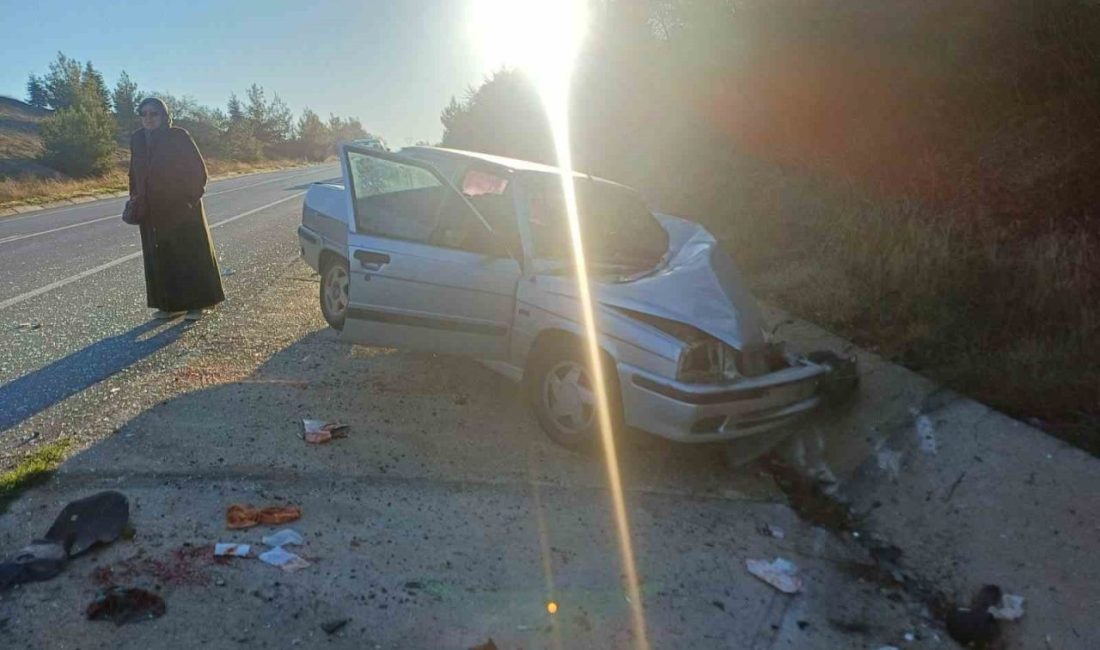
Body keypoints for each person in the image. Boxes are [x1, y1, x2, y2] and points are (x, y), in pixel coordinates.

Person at [128, 97, 224, 321]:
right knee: (160, 257)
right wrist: (135, 197)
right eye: (144, 114)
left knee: (189, 254)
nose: (149, 118)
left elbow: (197, 170)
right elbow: (134, 171)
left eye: (154, 114)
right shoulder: (138, 139)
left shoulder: (178, 136)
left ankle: (197, 304)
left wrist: (190, 199)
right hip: (151, 208)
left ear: (164, 115)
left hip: (182, 206)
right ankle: (170, 305)